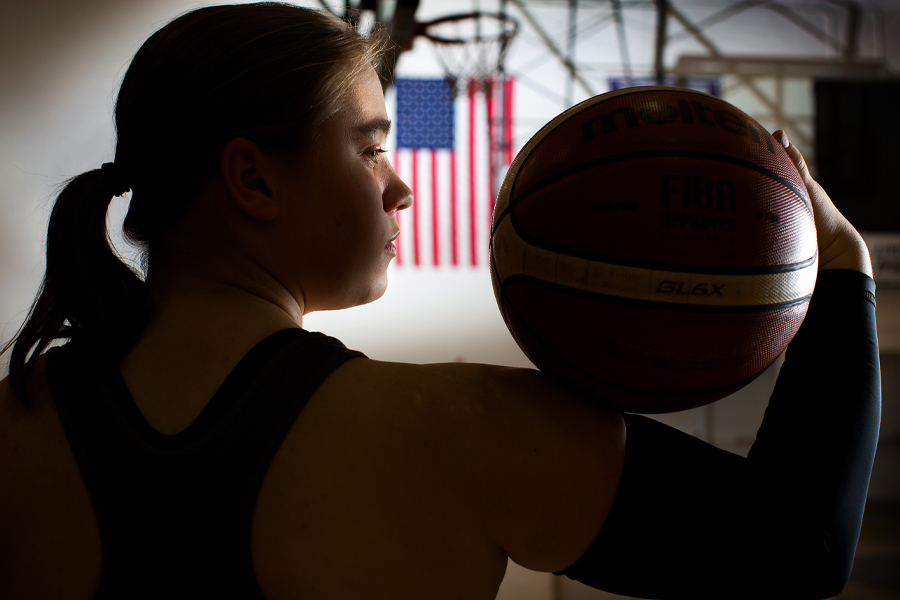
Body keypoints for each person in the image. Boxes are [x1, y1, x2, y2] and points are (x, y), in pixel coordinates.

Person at [0, 3, 879, 599]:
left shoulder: (14, 425)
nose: (402, 191)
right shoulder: (459, 428)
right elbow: (799, 549)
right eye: (370, 149)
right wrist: (841, 266)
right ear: (252, 176)